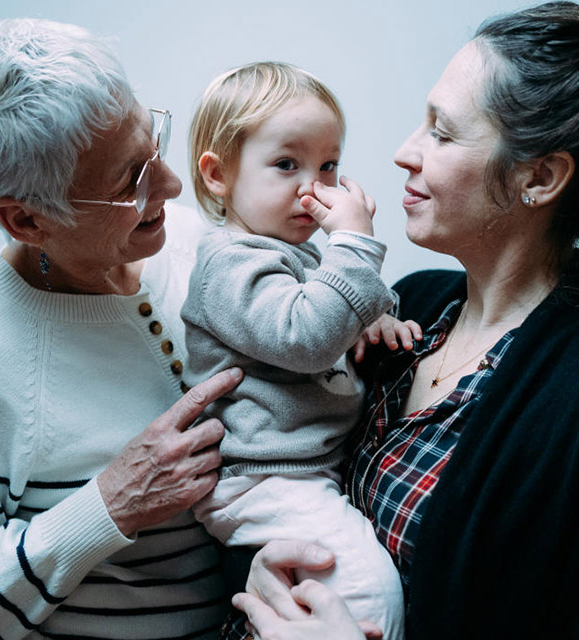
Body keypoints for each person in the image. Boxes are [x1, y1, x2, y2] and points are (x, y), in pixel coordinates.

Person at [230, 3, 579, 639]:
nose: (406, 152)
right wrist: (259, 569)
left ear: (539, 177)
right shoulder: (410, 306)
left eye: (441, 131)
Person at [0, 19, 245, 639]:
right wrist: (107, 507)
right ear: (27, 221)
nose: (172, 186)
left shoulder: (197, 243)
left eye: (152, 141)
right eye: (130, 181)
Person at [182, 62, 414, 638]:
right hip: (262, 480)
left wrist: (372, 319)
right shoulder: (228, 263)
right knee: (368, 590)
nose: (314, 188)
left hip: (304, 470)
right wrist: (355, 243)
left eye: (328, 166)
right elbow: (303, 336)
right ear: (218, 175)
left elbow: (323, 309)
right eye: (287, 165)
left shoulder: (295, 254)